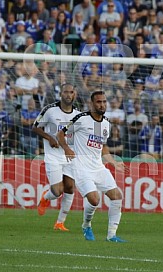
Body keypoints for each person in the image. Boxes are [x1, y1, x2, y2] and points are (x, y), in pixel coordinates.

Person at [57, 90, 127, 242]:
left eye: (104, 102)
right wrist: (67, 149)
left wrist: (114, 162)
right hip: (81, 167)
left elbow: (103, 146)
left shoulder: (106, 124)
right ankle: (86, 225)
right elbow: (60, 134)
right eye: (98, 102)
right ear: (92, 104)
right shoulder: (81, 118)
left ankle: (111, 235)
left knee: (117, 197)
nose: (102, 104)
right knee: (94, 200)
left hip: (98, 167)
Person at [33, 83, 81, 231]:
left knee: (70, 187)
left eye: (71, 92)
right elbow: (35, 127)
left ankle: (60, 223)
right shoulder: (50, 110)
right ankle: (45, 198)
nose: (68, 95)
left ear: (75, 94)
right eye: (65, 92)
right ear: (61, 94)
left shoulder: (78, 115)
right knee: (57, 191)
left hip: (69, 156)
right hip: (53, 156)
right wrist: (49, 138)